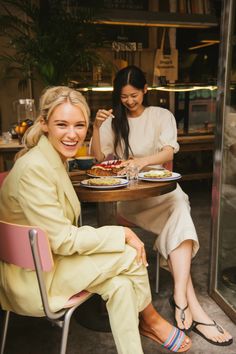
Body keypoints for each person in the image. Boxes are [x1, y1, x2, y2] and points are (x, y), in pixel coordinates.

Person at [0, 86, 192, 354]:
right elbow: (62, 240)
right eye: (62, 124)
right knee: (128, 254)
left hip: (51, 262)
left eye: (79, 125)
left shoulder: (51, 158)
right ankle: (150, 320)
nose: (72, 134)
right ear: (44, 124)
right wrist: (122, 233)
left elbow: (59, 236)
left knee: (122, 285)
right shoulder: (35, 168)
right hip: (35, 279)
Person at [90, 65, 233, 347]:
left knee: (178, 204)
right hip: (130, 199)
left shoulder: (161, 116)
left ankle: (181, 297)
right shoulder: (113, 122)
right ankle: (192, 305)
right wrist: (96, 127)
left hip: (161, 194)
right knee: (181, 211)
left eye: (134, 95)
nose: (129, 101)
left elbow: (169, 150)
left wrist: (139, 162)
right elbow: (98, 158)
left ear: (145, 90)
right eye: (123, 97)